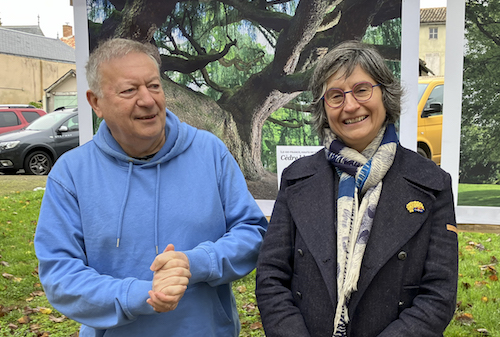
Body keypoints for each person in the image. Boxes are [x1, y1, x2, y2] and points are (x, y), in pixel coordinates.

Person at [34, 38, 268, 337]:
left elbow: (251, 232)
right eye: (129, 90)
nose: (147, 100)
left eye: (154, 86)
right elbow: (60, 276)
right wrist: (140, 295)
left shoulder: (209, 152)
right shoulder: (71, 174)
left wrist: (194, 262)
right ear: (96, 102)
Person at [255, 40, 458, 337]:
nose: (350, 106)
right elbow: (271, 278)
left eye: (362, 90)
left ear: (385, 94)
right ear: (324, 108)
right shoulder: (296, 178)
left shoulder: (432, 183)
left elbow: (438, 295)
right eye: (335, 96)